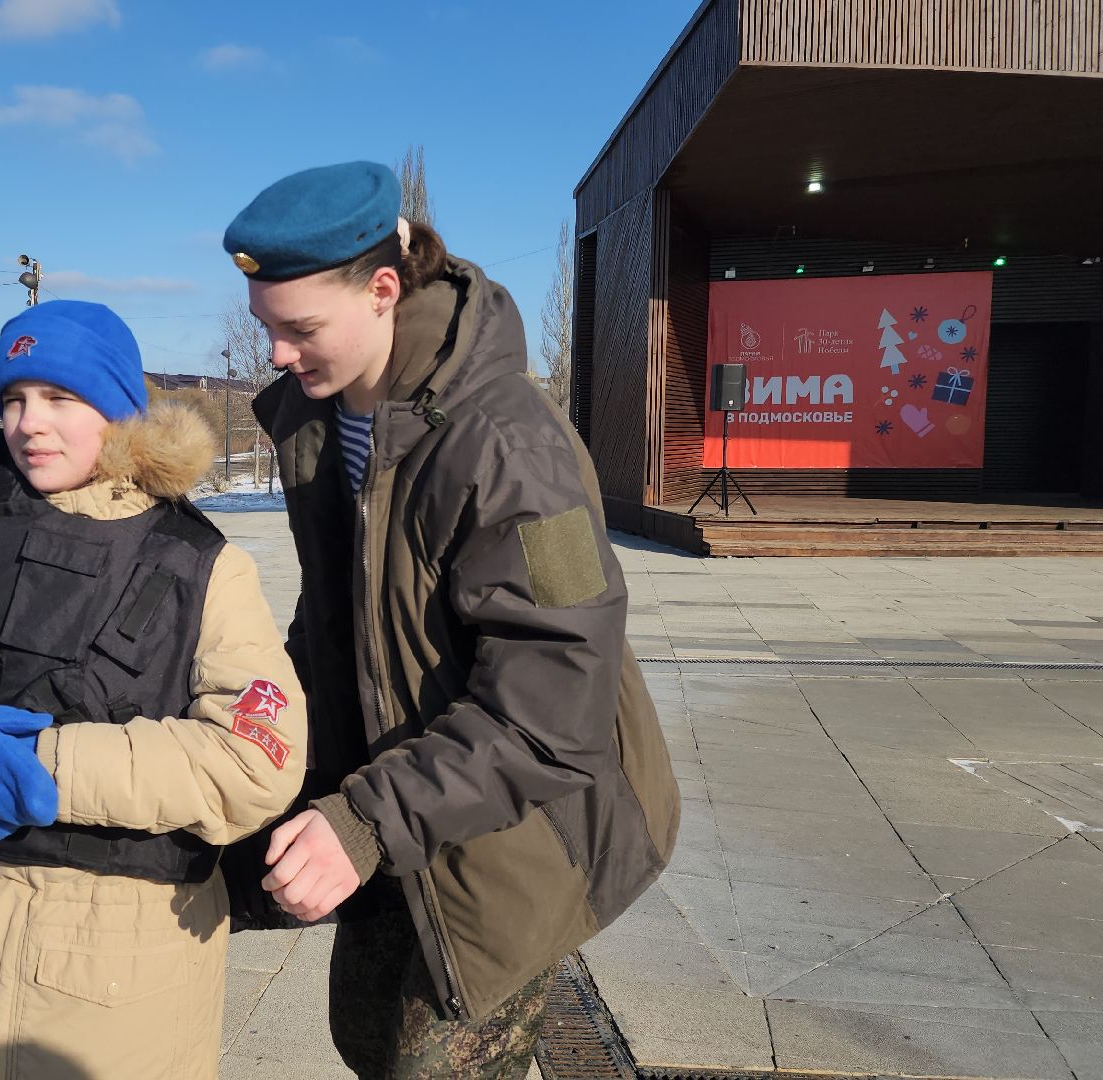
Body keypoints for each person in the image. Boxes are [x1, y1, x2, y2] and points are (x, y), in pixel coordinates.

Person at [225, 162, 681, 1078]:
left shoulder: (513, 449)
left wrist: (364, 822)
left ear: (382, 291)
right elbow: (339, 617)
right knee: (365, 1036)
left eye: (298, 329)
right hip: (394, 801)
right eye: (266, 326)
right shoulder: (321, 419)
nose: (274, 354)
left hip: (514, 832)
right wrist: (259, 730)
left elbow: (556, 713)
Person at [0, 300, 306, 1080]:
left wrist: (46, 766)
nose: (30, 423)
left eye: (60, 397)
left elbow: (258, 759)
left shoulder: (204, 566)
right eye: (13, 399)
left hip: (121, 982)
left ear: (118, 413)